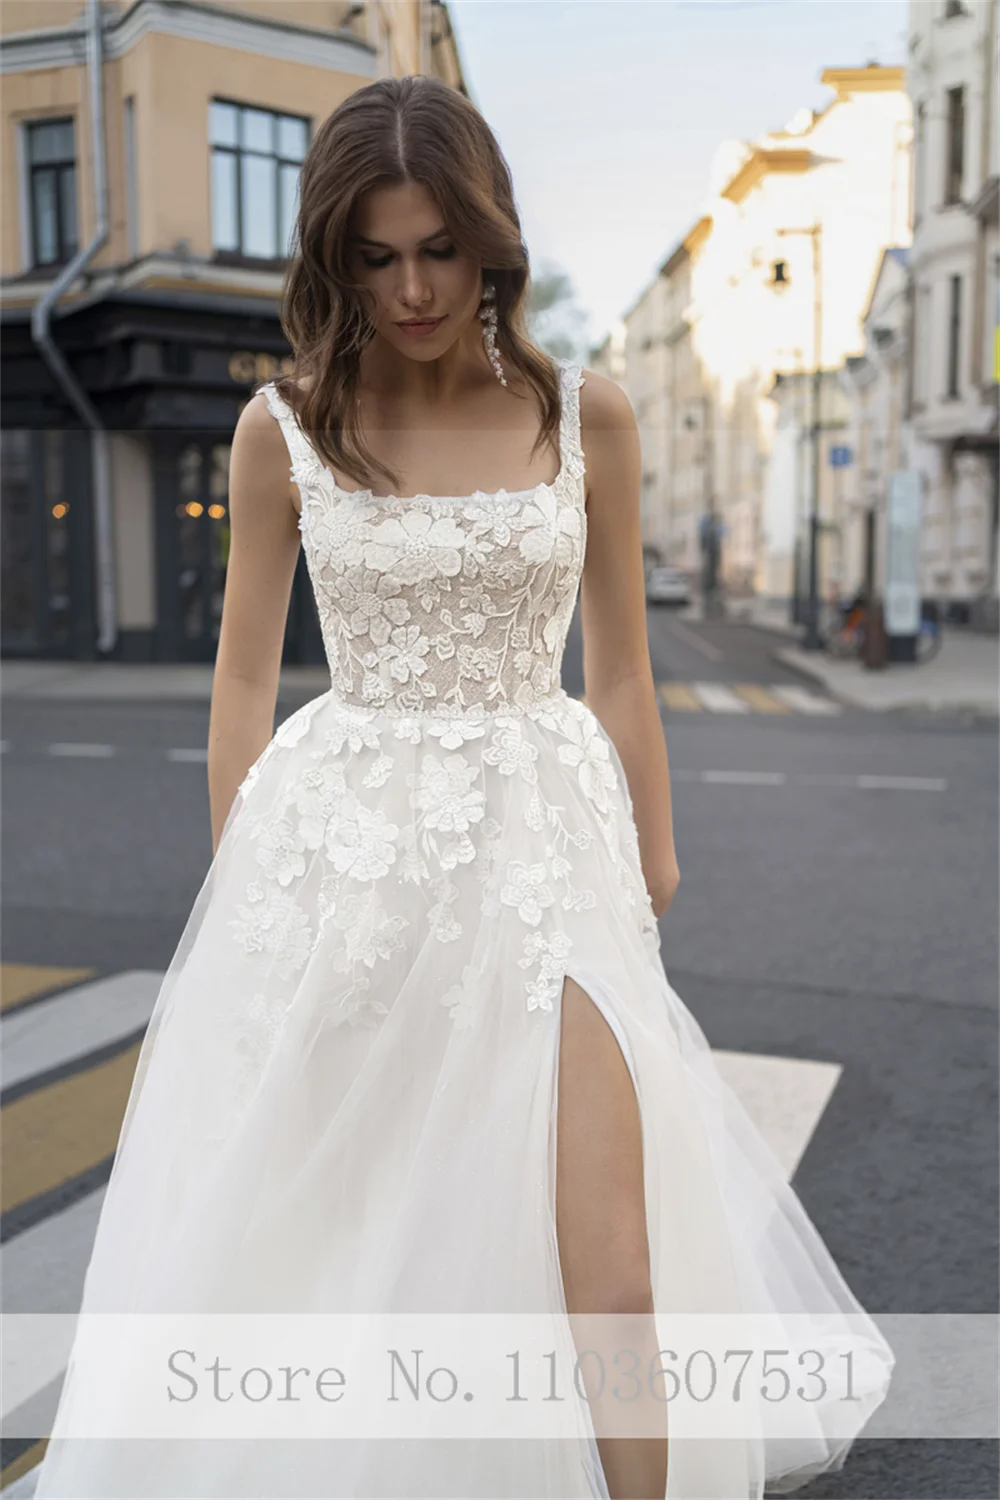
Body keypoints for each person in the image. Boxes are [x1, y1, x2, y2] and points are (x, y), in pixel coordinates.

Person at [33, 75, 893, 1500]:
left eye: (439, 248)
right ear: (333, 259)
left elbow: (622, 668)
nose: (413, 286)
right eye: (374, 257)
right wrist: (258, 902)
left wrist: (653, 856)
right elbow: (242, 685)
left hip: (553, 860)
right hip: (346, 872)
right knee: (375, 1256)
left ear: (491, 240)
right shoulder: (284, 430)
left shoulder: (589, 414)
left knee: (609, 1278)